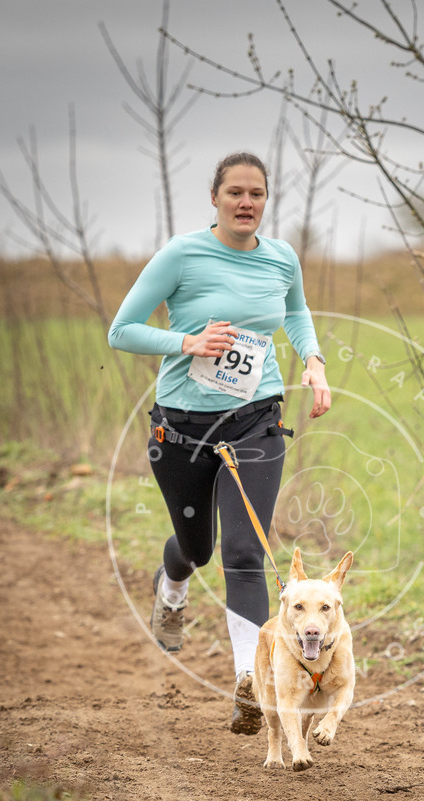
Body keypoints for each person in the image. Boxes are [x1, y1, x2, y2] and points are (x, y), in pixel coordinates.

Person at [108, 152, 330, 735]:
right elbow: (121, 329)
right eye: (235, 191)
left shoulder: (282, 258)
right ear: (215, 197)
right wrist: (187, 342)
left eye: (256, 193)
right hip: (181, 429)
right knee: (197, 548)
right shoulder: (182, 254)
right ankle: (172, 584)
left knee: (244, 552)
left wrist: (313, 362)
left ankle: (248, 686)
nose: (246, 202)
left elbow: (297, 312)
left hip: (255, 421)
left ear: (265, 200)